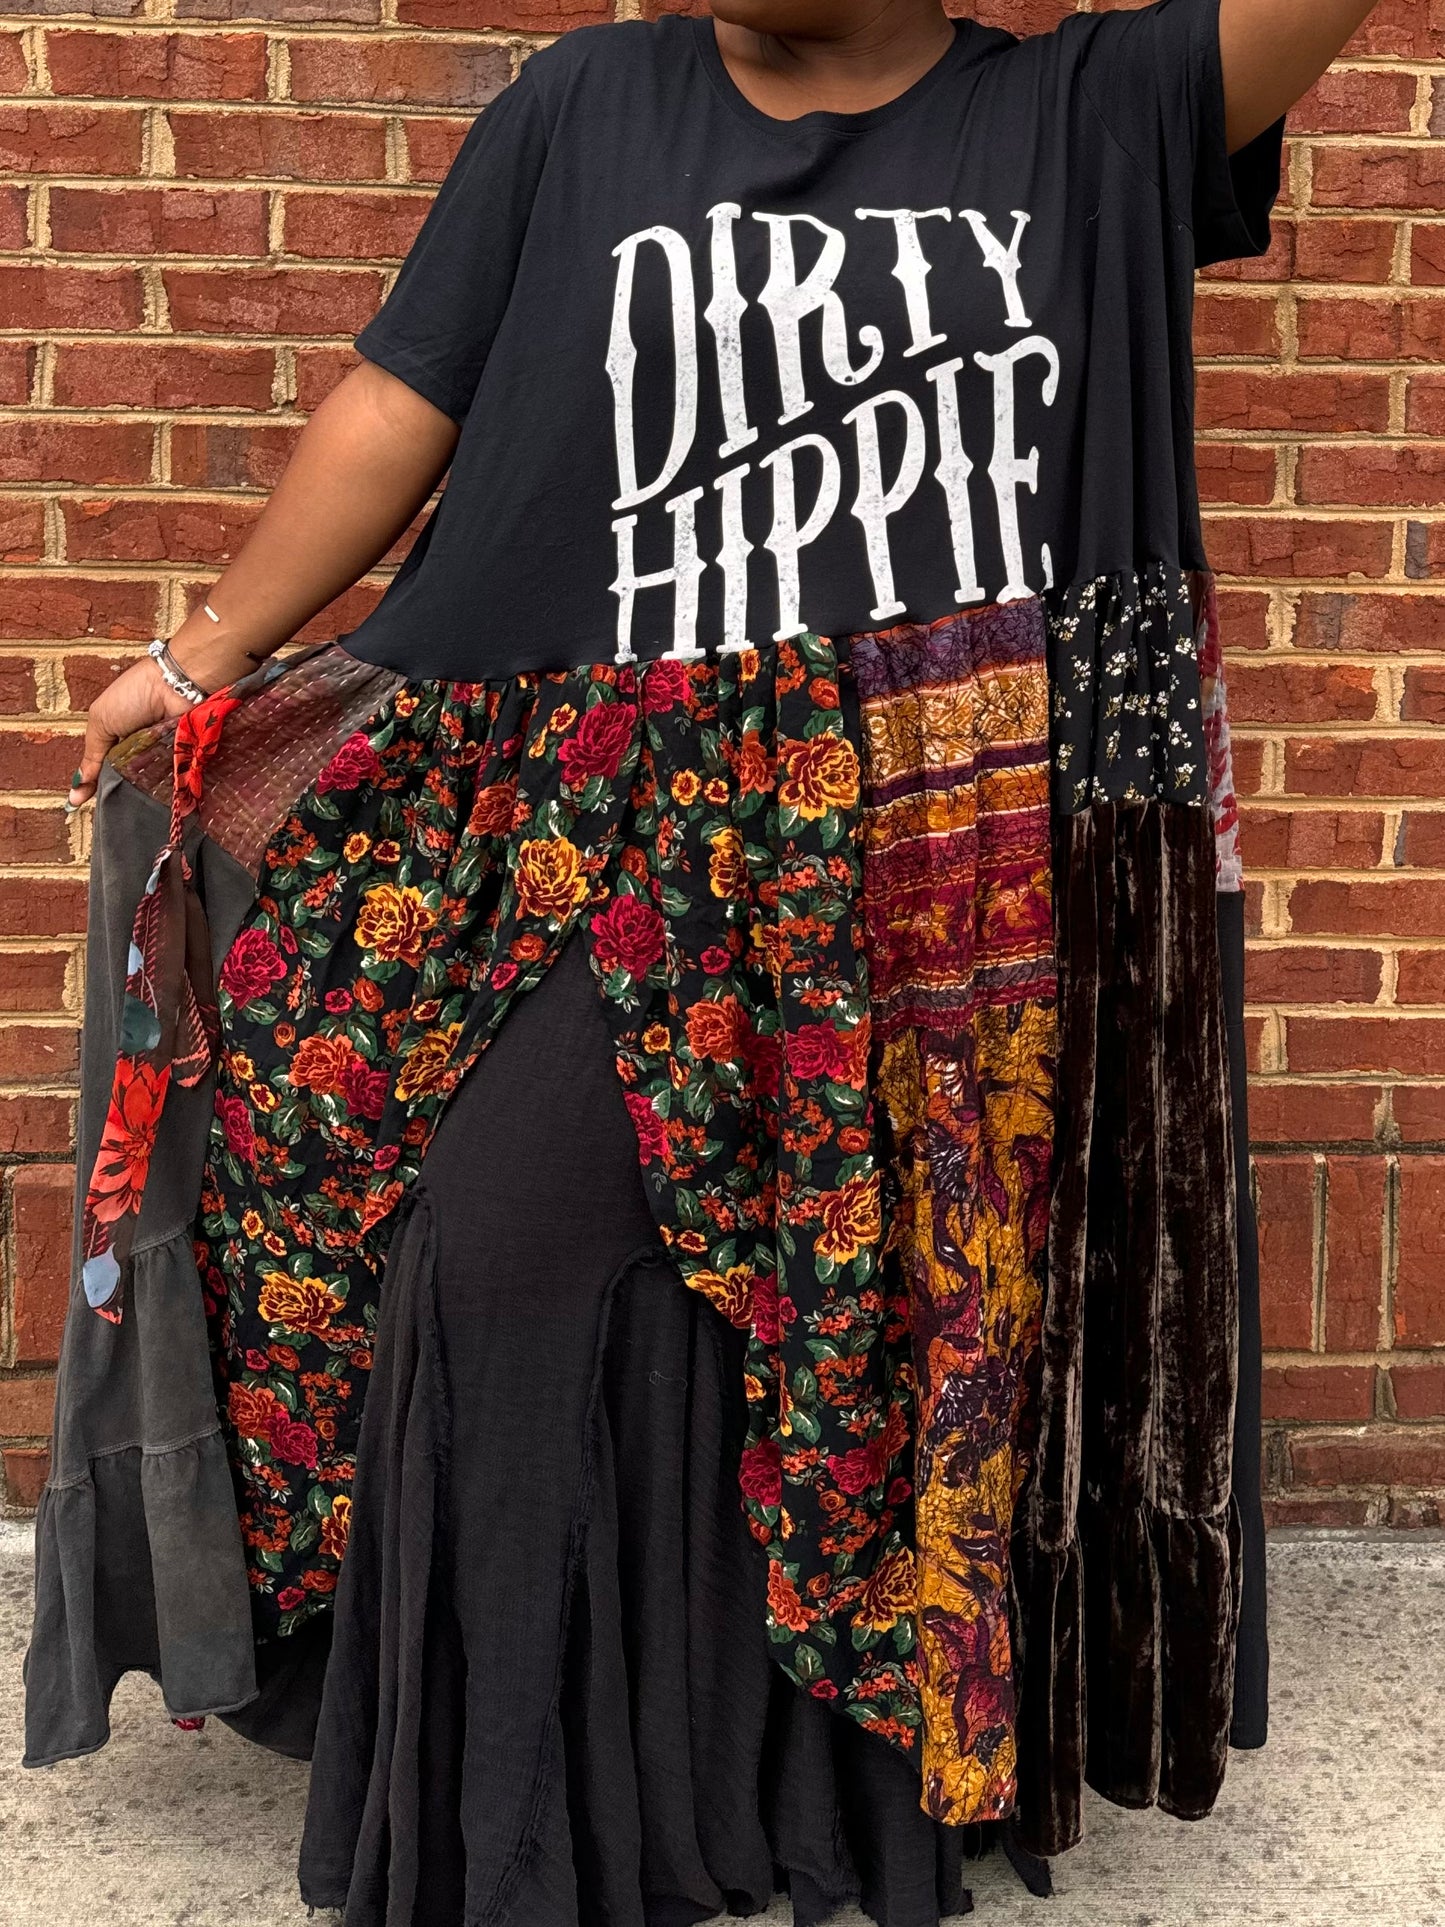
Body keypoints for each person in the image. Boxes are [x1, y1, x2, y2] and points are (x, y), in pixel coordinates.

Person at [27, 1, 1378, 1922]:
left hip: (942, 850)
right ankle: (541, 1814)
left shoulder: (1102, 107)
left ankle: (792, 1796)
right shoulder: (585, 101)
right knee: (497, 1243)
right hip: (600, 798)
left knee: (885, 1317)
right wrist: (199, 659)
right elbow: (405, 397)